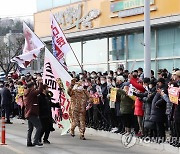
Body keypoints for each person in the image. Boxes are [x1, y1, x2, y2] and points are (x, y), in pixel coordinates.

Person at [23, 78, 43, 147]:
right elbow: (40, 91)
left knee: (30, 129)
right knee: (39, 127)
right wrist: (40, 83)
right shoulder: (31, 92)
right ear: (32, 86)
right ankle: (35, 141)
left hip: (28, 112)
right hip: (32, 112)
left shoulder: (27, 92)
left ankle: (29, 142)